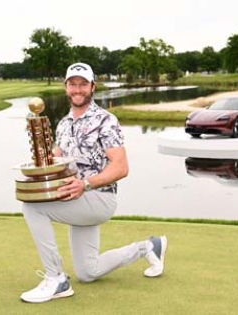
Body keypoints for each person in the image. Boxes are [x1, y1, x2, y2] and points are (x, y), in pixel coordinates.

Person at [20, 62, 168, 303]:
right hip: (76, 197)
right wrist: (37, 163)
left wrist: (85, 184)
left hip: (98, 198)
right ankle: (148, 248)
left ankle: (56, 279)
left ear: (92, 87)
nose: (78, 89)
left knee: (32, 207)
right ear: (66, 87)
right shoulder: (64, 123)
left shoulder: (105, 120)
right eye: (73, 84)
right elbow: (55, 159)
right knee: (88, 272)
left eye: (83, 84)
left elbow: (121, 167)